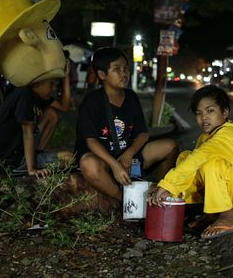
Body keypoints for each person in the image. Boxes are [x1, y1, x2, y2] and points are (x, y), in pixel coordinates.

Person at [148, 85, 233, 239]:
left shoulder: (227, 135)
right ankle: (212, 213)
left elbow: (198, 158)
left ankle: (229, 218)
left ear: (224, 112)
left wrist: (166, 185)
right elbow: (193, 165)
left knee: (211, 164)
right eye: (199, 113)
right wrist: (171, 189)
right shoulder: (205, 137)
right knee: (186, 156)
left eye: (210, 111)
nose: (204, 117)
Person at [75, 47, 179, 202]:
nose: (124, 74)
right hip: (103, 159)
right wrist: (115, 165)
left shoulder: (131, 97)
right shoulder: (92, 101)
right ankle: (124, 202)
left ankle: (157, 193)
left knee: (171, 146)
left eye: (126, 68)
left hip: (129, 156)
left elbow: (142, 134)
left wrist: (129, 154)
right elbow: (91, 141)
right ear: (102, 74)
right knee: (88, 163)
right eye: (117, 69)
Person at [0, 63, 71, 179]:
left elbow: (64, 106)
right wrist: (32, 169)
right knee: (69, 158)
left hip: (20, 151)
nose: (54, 89)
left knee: (51, 114)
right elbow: (27, 134)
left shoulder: (38, 95)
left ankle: (38, 153)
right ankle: (30, 165)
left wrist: (66, 77)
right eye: (51, 84)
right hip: (13, 162)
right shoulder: (25, 95)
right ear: (37, 83)